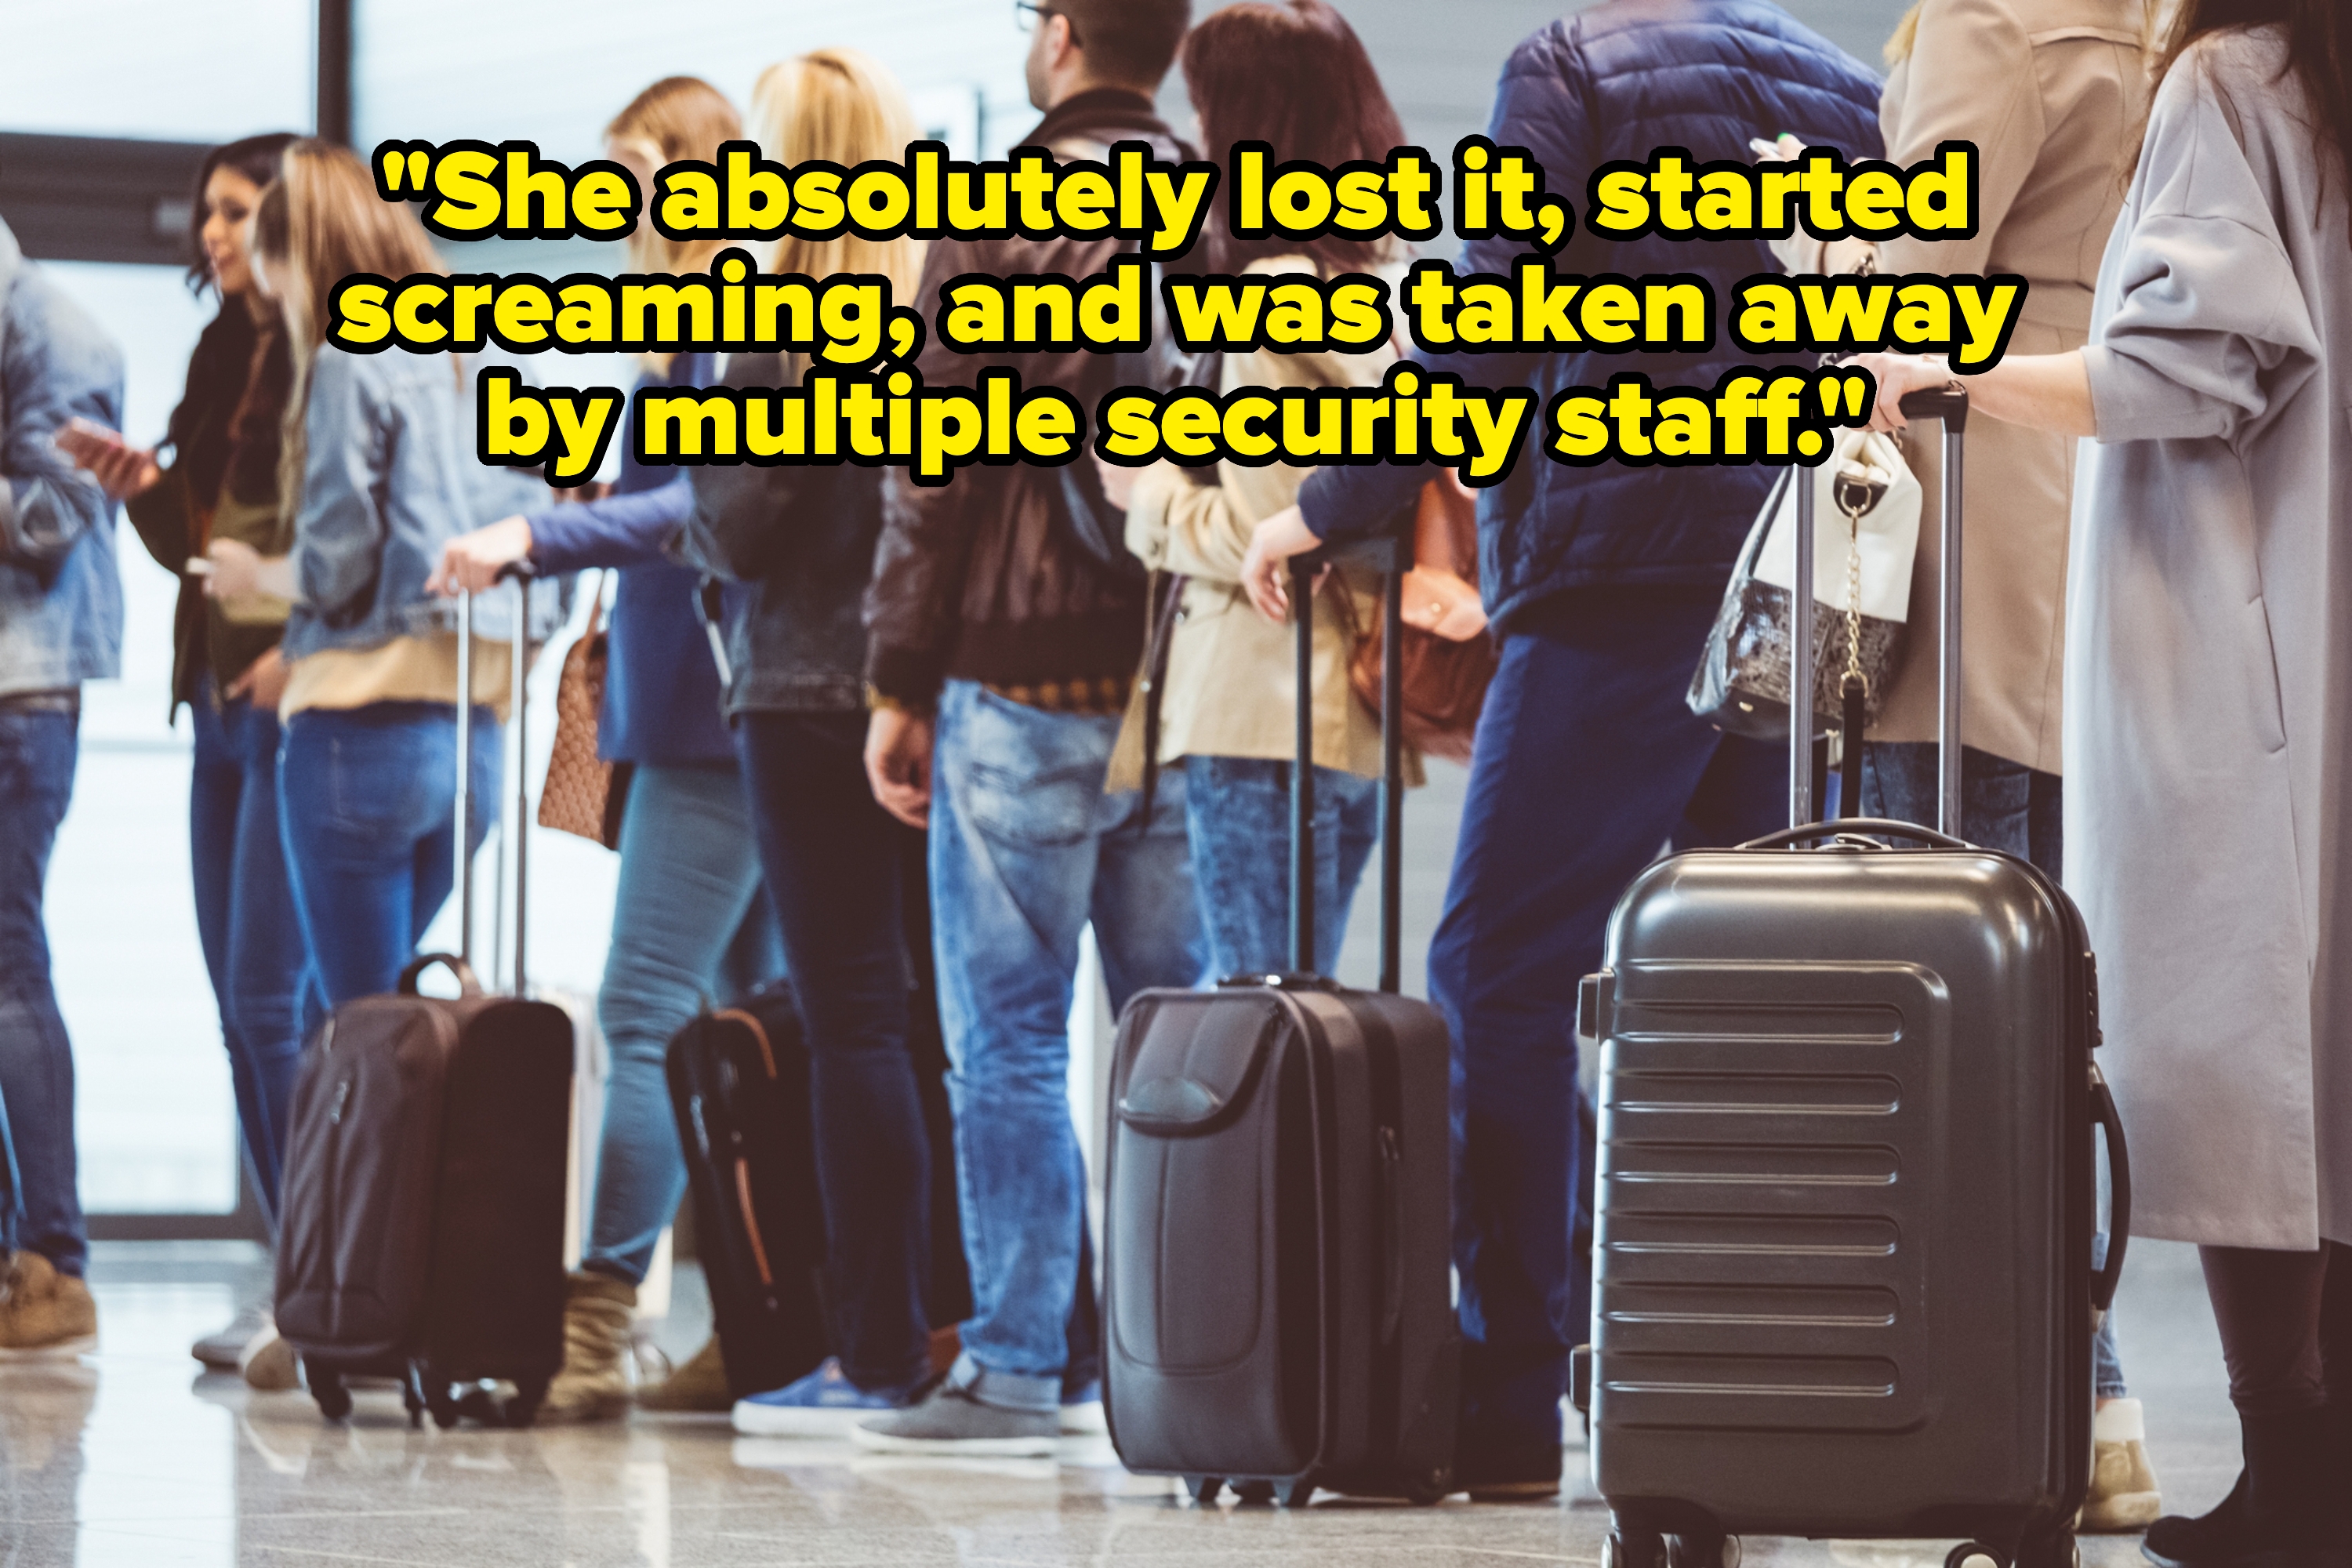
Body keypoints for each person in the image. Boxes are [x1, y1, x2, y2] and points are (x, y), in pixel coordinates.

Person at [1241, 0, 1882, 1497]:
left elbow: (1487, 328)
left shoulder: (1568, 70)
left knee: (1499, 971)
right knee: (1736, 998)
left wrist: (1323, 504)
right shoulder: (1843, 86)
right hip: (1799, 577)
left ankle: (1512, 1396)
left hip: (1621, 578)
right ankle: (1729, 1390)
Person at [1858, 2, 2352, 1560]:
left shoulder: (2233, 76)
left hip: (2219, 611)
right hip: (2308, 611)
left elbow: (2189, 360)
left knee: (2226, 1053)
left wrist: (1955, 377)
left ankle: (2284, 1465)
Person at [1767, 0, 2160, 1531]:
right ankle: (2092, 1404)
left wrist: (1813, 239)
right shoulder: (2158, 24)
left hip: (1958, 531)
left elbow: (1915, 282)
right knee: (2054, 1003)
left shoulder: (1993, 17)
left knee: (1939, 1003)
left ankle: (1995, 1406)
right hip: (2081, 515)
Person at [857, 0, 1205, 1456]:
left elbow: (928, 462)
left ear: (1060, 36)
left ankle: (1014, 1364)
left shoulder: (997, 214)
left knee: (1004, 1036)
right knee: (1176, 1036)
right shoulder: (1227, 210)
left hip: (1017, 674)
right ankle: (1187, 1355)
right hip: (1185, 673)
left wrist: (897, 676)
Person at [429, 77, 782, 1421]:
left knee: (645, 1012)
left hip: (714, 722)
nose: (615, 201)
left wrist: (543, 532)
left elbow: (708, 503)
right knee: (747, 1027)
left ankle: (596, 1319)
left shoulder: (739, 309)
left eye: (633, 172)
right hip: (703, 712)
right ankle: (760, 1324)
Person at [673, 45, 974, 1438]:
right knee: (939, 1026)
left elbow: (732, 521)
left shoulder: (779, 316)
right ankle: (984, 1324)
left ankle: (875, 1348)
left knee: (851, 1018)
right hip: (937, 693)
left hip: (804, 697)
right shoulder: (951, 295)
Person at [64, 132, 319, 1379]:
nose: (212, 234)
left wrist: (298, 637)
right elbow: (202, 554)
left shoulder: (339, 352)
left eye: (235, 210)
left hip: (299, 704)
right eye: (206, 213)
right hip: (216, 703)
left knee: (275, 1003)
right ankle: (298, 1275)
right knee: (237, 1005)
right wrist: (142, 489)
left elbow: (340, 546)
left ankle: (326, 1282)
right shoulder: (225, 352)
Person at [1097, 0, 1417, 981]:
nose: (1194, 137)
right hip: (1353, 707)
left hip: (1257, 699)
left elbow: (1263, 528)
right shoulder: (1378, 283)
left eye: (1204, 111)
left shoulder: (1272, 290)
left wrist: (1146, 499)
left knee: (1260, 1018)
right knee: (1308, 1015)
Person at [205, 143, 557, 1012]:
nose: (280, 304)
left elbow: (335, 565)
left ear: (304, 258)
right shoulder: (499, 343)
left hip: (356, 736)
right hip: (475, 740)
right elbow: (550, 546)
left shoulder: (349, 356)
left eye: (280, 281)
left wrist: (257, 574)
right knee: (392, 1028)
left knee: (349, 1026)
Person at [0, 213, 124, 1358]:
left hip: (21, 696)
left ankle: (56, 1261)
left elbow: (50, 517)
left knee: (10, 967)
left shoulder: (62, 335)